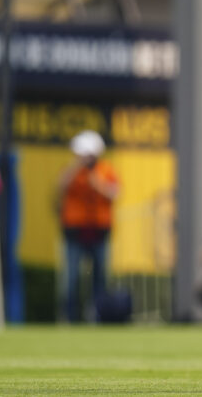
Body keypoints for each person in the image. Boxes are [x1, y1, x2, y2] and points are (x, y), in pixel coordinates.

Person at [57, 130, 119, 322]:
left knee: (99, 276)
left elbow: (115, 193)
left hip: (99, 230)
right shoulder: (73, 171)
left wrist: (97, 183)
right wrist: (76, 168)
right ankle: (69, 318)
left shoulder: (106, 170)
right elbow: (60, 187)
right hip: (74, 230)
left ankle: (98, 315)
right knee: (71, 277)